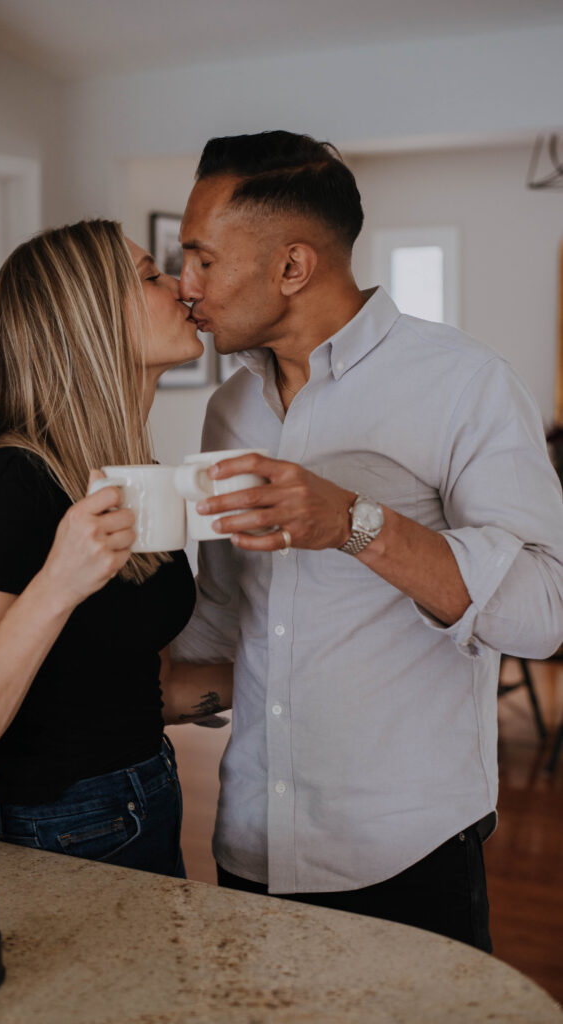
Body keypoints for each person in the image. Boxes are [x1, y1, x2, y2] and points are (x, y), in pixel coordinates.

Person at [171, 130, 563, 947]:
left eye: (203, 258)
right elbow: (222, 623)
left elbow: (545, 614)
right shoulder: (227, 412)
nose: (187, 285)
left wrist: (356, 524)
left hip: (408, 856)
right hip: (249, 847)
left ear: (291, 266)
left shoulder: (465, 383)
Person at [0, 219, 232, 877]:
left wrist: (307, 675)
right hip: (62, 828)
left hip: (142, 795)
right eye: (151, 275)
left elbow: (133, 685)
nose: (181, 285)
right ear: (85, 321)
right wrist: (60, 581)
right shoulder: (8, 486)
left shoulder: (127, 472)